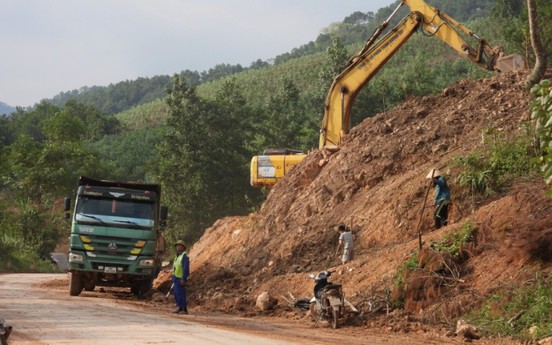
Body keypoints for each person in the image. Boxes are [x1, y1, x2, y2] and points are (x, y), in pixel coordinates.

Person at [172, 240, 190, 314]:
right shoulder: (177, 256)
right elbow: (175, 267)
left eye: (179, 245)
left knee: (181, 294)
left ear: (183, 247)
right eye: (177, 246)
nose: (177, 247)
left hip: (180, 278)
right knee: (176, 294)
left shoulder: (184, 256)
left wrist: (184, 278)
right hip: (176, 278)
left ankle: (184, 309)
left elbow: (185, 268)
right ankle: (180, 308)